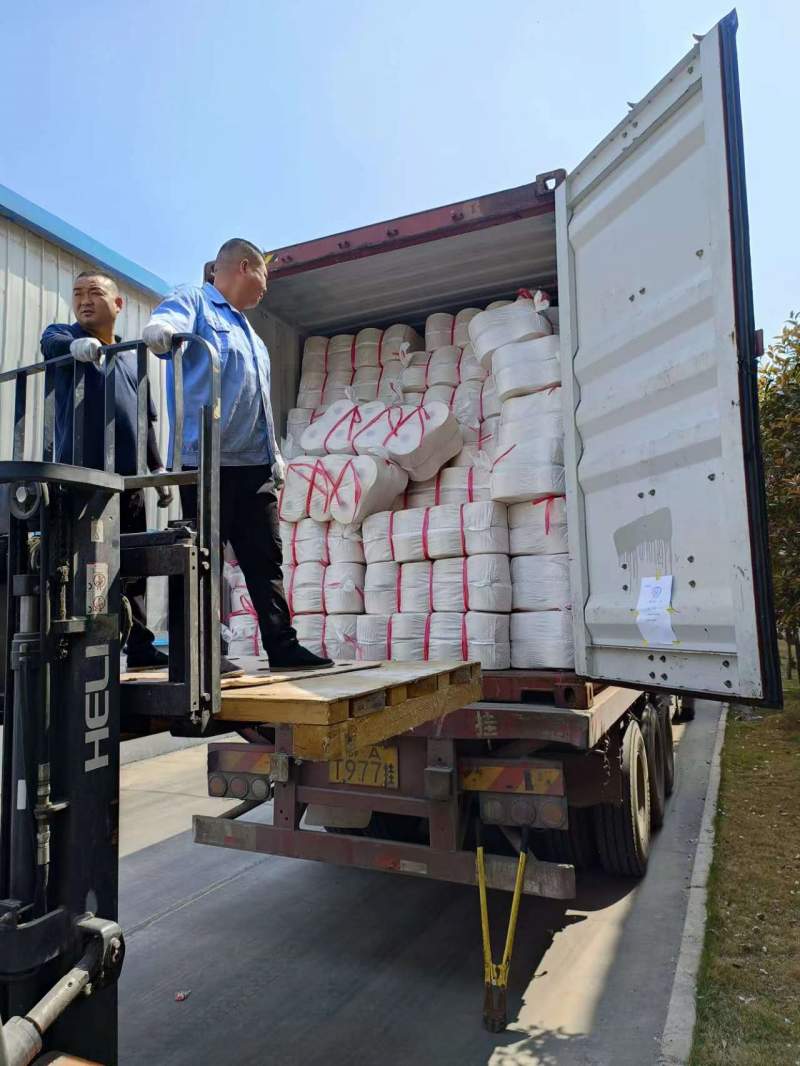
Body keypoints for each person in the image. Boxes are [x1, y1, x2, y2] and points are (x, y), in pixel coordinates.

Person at [142, 239, 333, 671]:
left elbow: (259, 401)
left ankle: (282, 647)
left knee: (265, 558)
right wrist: (161, 330)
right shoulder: (196, 301)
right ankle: (199, 656)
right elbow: (168, 319)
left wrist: (274, 454)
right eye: (265, 275)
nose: (267, 287)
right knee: (202, 559)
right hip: (207, 462)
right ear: (245, 266)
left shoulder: (252, 336)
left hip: (253, 466)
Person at [41, 271, 172, 670]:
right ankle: (90, 651)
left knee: (133, 563)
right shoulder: (65, 337)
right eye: (77, 293)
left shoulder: (131, 357)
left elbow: (145, 417)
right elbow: (50, 342)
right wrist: (77, 346)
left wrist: (157, 468)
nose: (84, 300)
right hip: (82, 479)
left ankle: (140, 644)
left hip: (129, 481)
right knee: (88, 564)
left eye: (94, 292)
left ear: (118, 304)